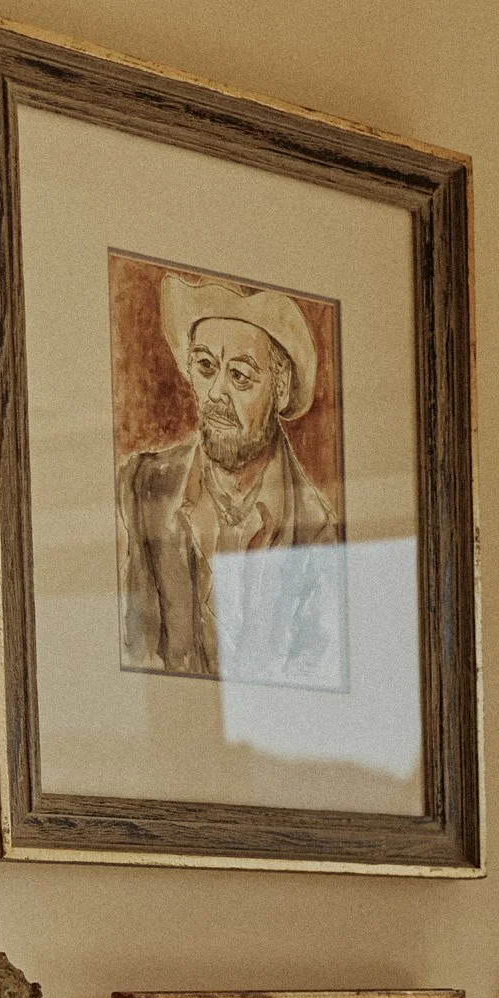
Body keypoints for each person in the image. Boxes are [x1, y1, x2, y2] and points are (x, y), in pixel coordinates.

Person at [117, 273, 342, 689]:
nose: (216, 393)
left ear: (279, 388)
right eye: (205, 367)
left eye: (240, 375)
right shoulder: (139, 487)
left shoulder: (318, 532)